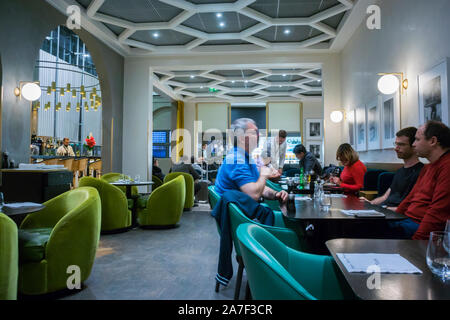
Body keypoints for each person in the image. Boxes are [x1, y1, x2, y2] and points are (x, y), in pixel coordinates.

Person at [392, 121, 450, 240]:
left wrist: (416, 243)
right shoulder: (428, 167)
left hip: (418, 227)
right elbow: (410, 198)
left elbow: (438, 213)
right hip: (406, 221)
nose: (413, 144)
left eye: (417, 140)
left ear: (433, 141)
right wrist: (394, 217)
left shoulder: (447, 166)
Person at [214, 118, 288, 204]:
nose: (259, 134)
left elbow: (259, 188)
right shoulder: (236, 159)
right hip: (239, 214)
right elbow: (254, 195)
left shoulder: (246, 158)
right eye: (254, 132)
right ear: (241, 138)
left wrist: (276, 194)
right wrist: (263, 175)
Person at [360, 127, 424, 210]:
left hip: (396, 215)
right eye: (396, 144)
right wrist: (369, 203)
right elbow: (385, 197)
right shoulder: (400, 171)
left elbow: (410, 208)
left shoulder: (421, 172)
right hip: (385, 210)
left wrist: (385, 209)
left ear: (414, 146)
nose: (396, 148)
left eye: (401, 145)